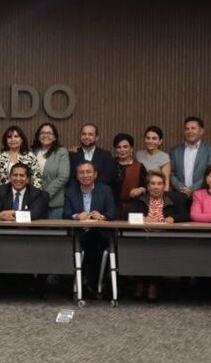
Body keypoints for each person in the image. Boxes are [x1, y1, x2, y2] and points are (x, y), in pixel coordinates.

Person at [131, 171, 189, 300]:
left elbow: (186, 215)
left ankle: (152, 283)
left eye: (159, 184)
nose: (156, 187)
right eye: (153, 183)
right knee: (139, 249)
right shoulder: (140, 200)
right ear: (148, 186)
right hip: (143, 238)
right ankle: (142, 281)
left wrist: (173, 218)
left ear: (164, 186)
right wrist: (142, 219)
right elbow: (129, 215)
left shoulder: (175, 199)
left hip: (165, 239)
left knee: (155, 251)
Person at [64, 161, 116, 294]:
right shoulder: (70, 191)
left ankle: (90, 282)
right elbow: (66, 214)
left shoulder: (105, 190)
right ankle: (88, 283)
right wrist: (77, 216)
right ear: (76, 175)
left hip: (99, 233)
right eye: (81, 172)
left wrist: (102, 217)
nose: (85, 175)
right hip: (79, 233)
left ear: (95, 174)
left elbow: (112, 213)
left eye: (88, 172)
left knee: (94, 240)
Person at [170, 116, 211, 196]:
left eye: (193, 128)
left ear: (201, 131)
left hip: (203, 195)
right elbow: (171, 173)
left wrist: (192, 189)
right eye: (187, 129)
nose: (190, 131)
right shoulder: (175, 151)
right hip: (179, 195)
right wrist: (182, 188)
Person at [32, 123, 70, 220]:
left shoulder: (61, 152)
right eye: (42, 133)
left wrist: (45, 194)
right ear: (38, 136)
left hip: (54, 202)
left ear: (55, 137)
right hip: (33, 201)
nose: (45, 135)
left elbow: (63, 177)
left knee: (54, 233)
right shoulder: (32, 152)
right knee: (33, 233)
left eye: (49, 133)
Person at [67, 123, 116, 195]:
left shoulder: (106, 155)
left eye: (90, 134)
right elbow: (69, 177)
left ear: (97, 137)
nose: (86, 137)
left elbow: (107, 177)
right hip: (76, 195)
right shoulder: (72, 154)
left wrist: (90, 188)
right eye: (84, 134)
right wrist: (80, 189)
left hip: (99, 194)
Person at [0, 125, 42, 189]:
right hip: (3, 195)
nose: (13, 139)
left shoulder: (30, 157)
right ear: (6, 140)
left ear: (22, 140)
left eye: (16, 136)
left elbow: (37, 179)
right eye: (9, 137)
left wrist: (34, 196)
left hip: (26, 195)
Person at [111, 133, 149, 216]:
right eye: (119, 147)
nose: (122, 150)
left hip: (135, 208)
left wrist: (140, 189)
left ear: (131, 149)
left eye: (125, 147)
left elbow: (147, 187)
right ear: (115, 149)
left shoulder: (139, 166)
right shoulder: (109, 164)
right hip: (112, 208)